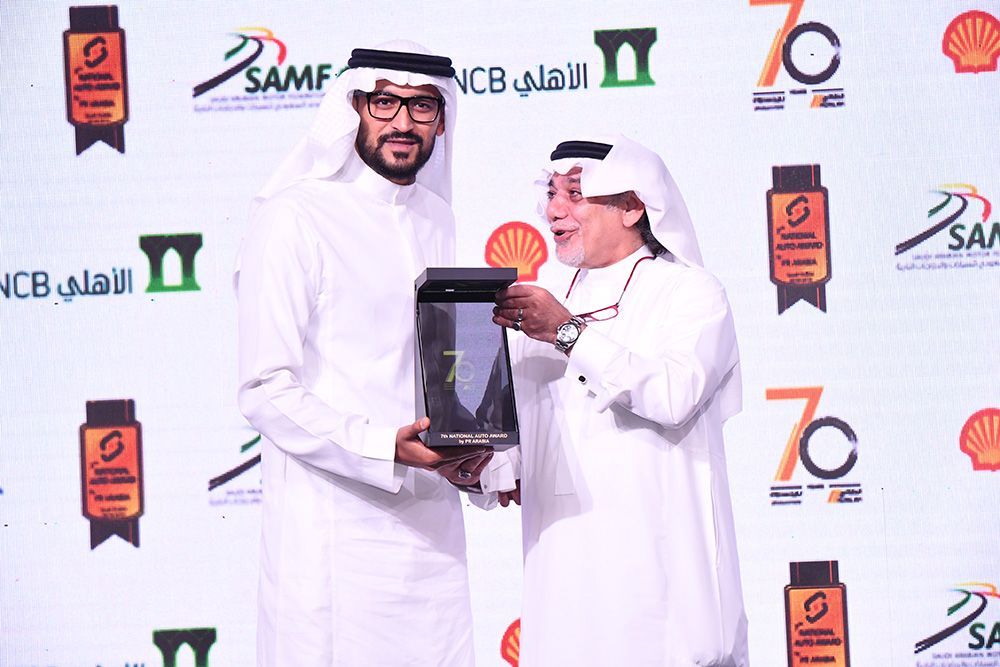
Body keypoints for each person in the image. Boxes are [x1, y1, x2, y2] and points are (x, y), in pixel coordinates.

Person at [235, 41, 491, 666]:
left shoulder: (437, 218)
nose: (403, 122)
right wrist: (383, 447)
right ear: (354, 108)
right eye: (385, 103)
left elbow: (440, 369)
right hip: (333, 530)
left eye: (422, 106)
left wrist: (473, 453)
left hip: (430, 533)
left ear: (442, 119)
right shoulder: (295, 216)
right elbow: (265, 389)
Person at [487, 135, 749, 665]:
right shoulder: (538, 305)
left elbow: (673, 395)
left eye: (575, 194)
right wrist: (476, 464)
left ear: (632, 206)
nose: (554, 211)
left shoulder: (690, 292)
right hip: (561, 587)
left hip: (662, 595)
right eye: (551, 194)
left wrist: (567, 334)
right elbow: (517, 452)